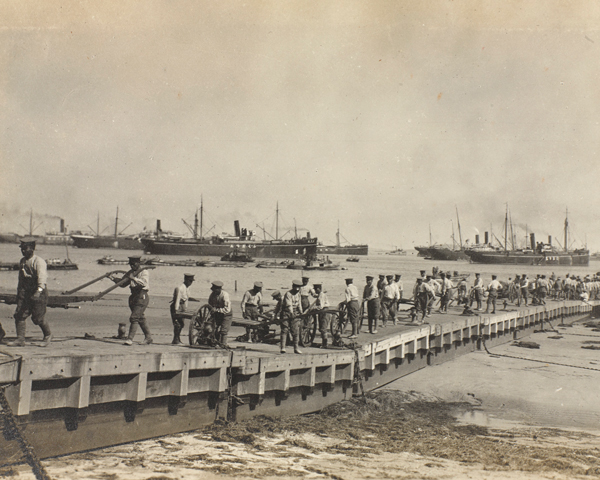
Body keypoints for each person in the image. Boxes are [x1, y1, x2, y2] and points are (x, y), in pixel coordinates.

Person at [7, 238, 51, 347]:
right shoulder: (22, 261)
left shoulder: (39, 262)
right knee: (19, 315)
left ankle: (48, 335)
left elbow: (42, 279)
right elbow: (21, 280)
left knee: (37, 318)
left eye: (25, 249)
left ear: (32, 249)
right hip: (26, 292)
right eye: (22, 249)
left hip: (38, 292)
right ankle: (20, 339)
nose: (23, 251)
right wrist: (19, 295)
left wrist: (38, 292)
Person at [110, 255, 152, 346]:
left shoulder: (144, 272)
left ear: (138, 263)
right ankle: (148, 337)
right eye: (130, 264)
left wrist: (133, 278)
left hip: (142, 296)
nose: (131, 266)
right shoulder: (130, 272)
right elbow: (122, 283)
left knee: (134, 317)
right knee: (140, 317)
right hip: (134, 297)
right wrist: (112, 278)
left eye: (133, 264)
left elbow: (143, 283)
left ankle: (130, 339)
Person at [169, 273, 197, 344]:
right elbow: (177, 299)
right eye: (190, 281)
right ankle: (175, 340)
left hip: (183, 306)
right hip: (177, 306)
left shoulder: (187, 288)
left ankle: (177, 339)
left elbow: (186, 298)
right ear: (186, 280)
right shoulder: (180, 288)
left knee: (181, 324)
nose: (191, 283)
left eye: (191, 281)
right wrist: (176, 311)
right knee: (177, 323)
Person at [281, 279, 304, 354]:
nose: (297, 290)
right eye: (296, 288)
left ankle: (296, 348)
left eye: (299, 288)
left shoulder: (298, 294)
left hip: (295, 312)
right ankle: (283, 347)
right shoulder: (288, 294)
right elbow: (289, 304)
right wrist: (291, 313)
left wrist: (301, 312)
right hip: (286, 312)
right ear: (293, 287)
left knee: (295, 331)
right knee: (285, 329)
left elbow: (299, 304)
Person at [208, 280, 232, 346]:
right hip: (217, 314)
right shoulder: (212, 295)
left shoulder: (225, 295)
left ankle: (223, 344)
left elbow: (227, 309)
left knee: (223, 330)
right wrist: (212, 311)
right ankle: (214, 341)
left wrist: (217, 310)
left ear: (219, 289)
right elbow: (210, 304)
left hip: (226, 314)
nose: (213, 291)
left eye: (215, 289)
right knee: (212, 327)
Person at [311, 283, 330, 348]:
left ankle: (325, 344)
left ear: (318, 289)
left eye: (315, 290)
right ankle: (324, 343)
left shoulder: (321, 295)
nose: (315, 291)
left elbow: (321, 306)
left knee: (323, 328)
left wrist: (314, 308)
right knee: (321, 328)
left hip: (324, 311)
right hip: (321, 312)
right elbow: (315, 296)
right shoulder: (320, 294)